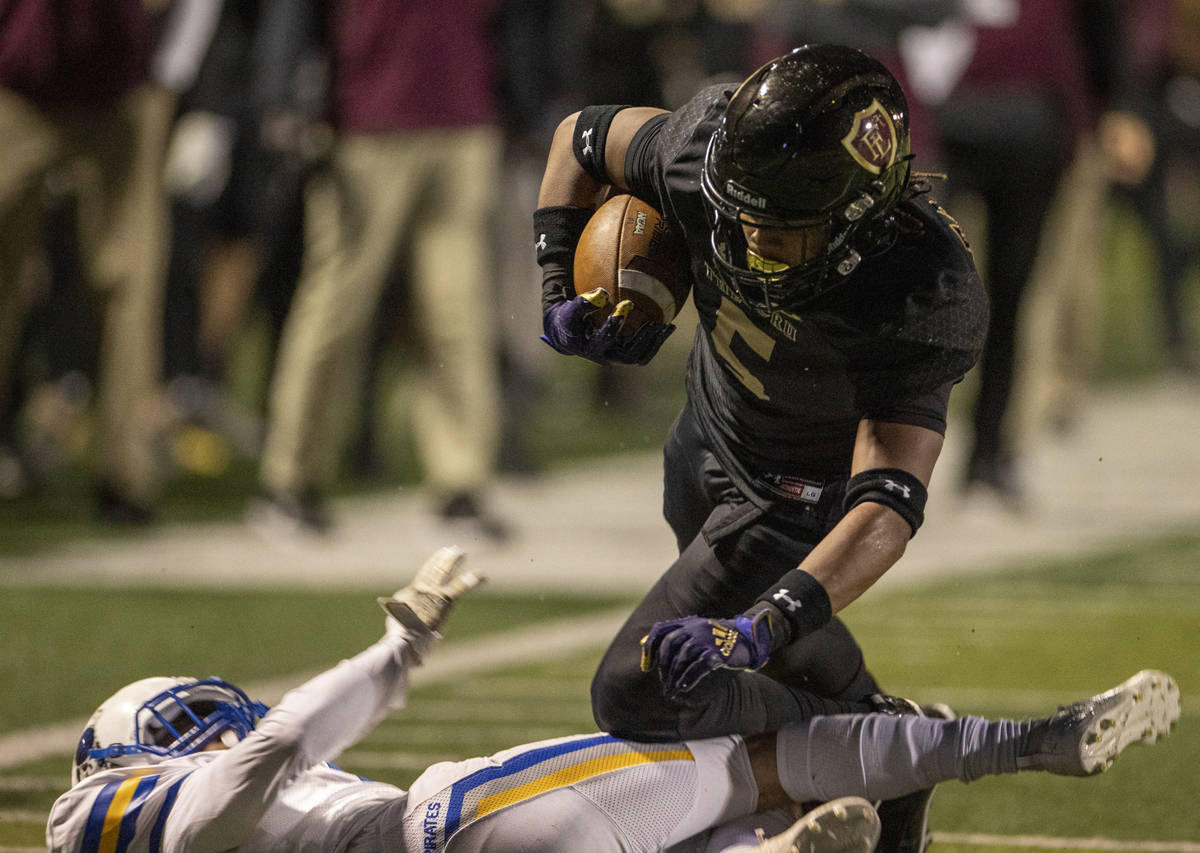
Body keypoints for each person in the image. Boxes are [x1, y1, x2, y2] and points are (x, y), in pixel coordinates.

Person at [533, 42, 987, 850]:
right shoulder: (706, 148)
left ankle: (871, 747)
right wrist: (558, 288)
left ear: (858, 219)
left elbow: (887, 505)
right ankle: (892, 741)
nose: (743, 240)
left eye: (778, 230)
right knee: (764, 642)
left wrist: (766, 623)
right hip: (707, 432)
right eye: (735, 214)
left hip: (792, 495)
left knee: (636, 694)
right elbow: (578, 138)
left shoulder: (921, 289)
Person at [46, 547, 1181, 853]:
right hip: (459, 822)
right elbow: (270, 753)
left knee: (743, 807)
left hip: (462, 840)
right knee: (761, 754)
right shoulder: (176, 802)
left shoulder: (129, 822)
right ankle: (1033, 739)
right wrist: (395, 650)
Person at [248, 0, 507, 538]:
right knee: (336, 308)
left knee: (457, 311)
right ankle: (290, 476)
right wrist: (281, 99)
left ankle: (460, 477)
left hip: (463, 113)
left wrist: (527, 96)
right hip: (365, 118)